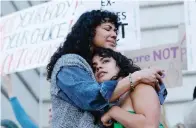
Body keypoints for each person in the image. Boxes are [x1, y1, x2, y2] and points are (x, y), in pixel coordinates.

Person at [47, 10, 163, 128]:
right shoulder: (68, 63)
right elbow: (92, 97)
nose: (114, 34)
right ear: (90, 30)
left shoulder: (132, 88)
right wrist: (137, 76)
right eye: (108, 29)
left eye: (115, 31)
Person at [92, 47, 164, 128]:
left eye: (105, 61)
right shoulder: (113, 101)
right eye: (94, 68)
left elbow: (150, 126)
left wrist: (114, 112)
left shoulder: (140, 86)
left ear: (120, 64)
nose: (98, 67)